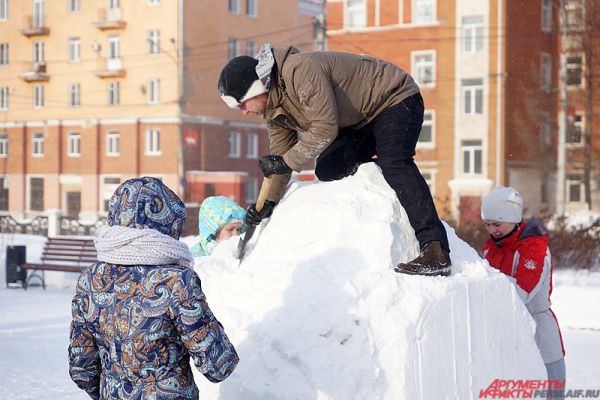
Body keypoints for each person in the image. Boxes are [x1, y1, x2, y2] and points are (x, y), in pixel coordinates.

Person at [217, 44, 451, 276]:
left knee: (394, 162)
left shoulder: (299, 72)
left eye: (242, 104)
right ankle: (384, 180)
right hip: (359, 120)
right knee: (329, 169)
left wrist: (286, 162)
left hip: (394, 98)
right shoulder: (274, 110)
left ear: (256, 88)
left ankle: (435, 248)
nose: (244, 112)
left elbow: (325, 129)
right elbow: (281, 157)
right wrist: (267, 203)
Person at [68, 177, 239, 400]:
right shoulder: (176, 280)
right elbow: (219, 364)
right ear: (170, 220)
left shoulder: (90, 279)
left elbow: (81, 367)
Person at [481, 186, 565, 391]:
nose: (492, 230)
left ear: (514, 218)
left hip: (540, 335)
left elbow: (521, 293)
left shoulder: (533, 247)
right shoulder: (491, 247)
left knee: (548, 393)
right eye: (488, 225)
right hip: (504, 333)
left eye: (497, 224)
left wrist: (486, 285)